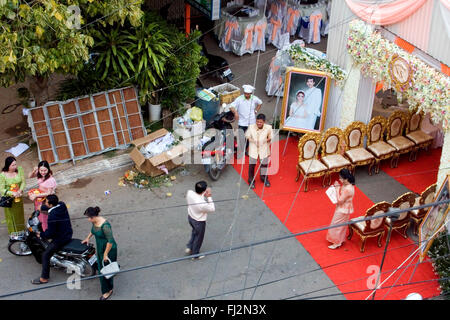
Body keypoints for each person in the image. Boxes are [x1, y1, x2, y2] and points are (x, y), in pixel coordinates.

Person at [31, 194, 73, 284]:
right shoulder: (62, 204)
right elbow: (50, 208)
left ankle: (44, 278)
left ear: (50, 204)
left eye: (45, 202)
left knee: (45, 255)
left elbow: (50, 234)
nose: (44, 203)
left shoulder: (52, 216)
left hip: (61, 238)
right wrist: (41, 208)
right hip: (68, 232)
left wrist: (41, 234)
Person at [82, 206, 118, 300]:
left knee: (104, 272)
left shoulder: (105, 225)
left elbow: (110, 241)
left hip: (108, 249)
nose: (88, 219)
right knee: (105, 268)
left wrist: (105, 254)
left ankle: (108, 290)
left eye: (88, 218)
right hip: (101, 247)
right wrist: (88, 238)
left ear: (93, 217)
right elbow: (93, 230)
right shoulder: (95, 222)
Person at [230, 84, 263, 157]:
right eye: (245, 93)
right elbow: (231, 106)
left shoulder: (254, 98)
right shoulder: (239, 99)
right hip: (242, 122)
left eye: (248, 94)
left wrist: (256, 111)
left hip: (251, 122)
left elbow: (260, 103)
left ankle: (245, 150)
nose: (246, 95)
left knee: (248, 138)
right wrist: (235, 113)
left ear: (251, 94)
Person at [185, 181, 215, 260]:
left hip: (191, 217)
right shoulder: (202, 204)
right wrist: (209, 196)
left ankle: (190, 246)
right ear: (204, 191)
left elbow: (197, 198)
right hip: (199, 222)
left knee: (194, 232)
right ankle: (195, 254)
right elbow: (212, 208)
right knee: (199, 238)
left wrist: (203, 195)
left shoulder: (190, 193)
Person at [326, 169, 355, 249]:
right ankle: (339, 240)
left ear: (346, 179)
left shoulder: (348, 189)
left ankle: (336, 242)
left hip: (343, 209)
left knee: (336, 225)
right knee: (341, 225)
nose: (340, 179)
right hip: (345, 208)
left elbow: (339, 201)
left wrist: (337, 189)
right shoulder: (348, 185)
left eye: (341, 178)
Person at [246, 113, 273, 189]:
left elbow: (270, 137)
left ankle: (264, 178)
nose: (259, 123)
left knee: (264, 165)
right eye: (257, 121)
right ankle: (251, 180)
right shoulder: (251, 127)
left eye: (260, 122)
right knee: (252, 166)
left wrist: (264, 141)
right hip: (253, 148)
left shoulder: (269, 128)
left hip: (264, 148)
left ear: (264, 122)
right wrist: (254, 141)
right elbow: (247, 136)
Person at [28, 160, 57, 231]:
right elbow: (29, 176)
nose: (43, 172)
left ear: (48, 169)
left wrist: (36, 195)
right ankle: (41, 228)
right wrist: (33, 171)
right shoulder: (39, 173)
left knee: (45, 216)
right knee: (39, 214)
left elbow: (48, 193)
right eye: (41, 170)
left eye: (45, 170)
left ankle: (46, 232)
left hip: (46, 200)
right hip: (39, 198)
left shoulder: (51, 179)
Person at [0, 156, 26, 235]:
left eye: (15, 164)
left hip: (18, 197)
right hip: (9, 200)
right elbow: (1, 189)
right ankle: (13, 233)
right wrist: (12, 193)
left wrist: (19, 191)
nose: (15, 167)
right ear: (8, 165)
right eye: (13, 165)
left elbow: (23, 182)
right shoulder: (3, 175)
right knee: (11, 217)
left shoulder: (20, 170)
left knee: (19, 215)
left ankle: (21, 232)